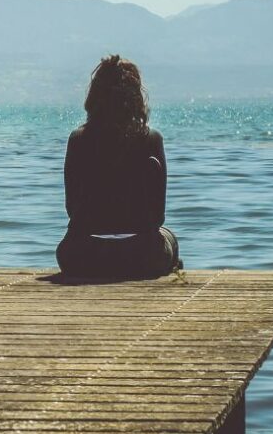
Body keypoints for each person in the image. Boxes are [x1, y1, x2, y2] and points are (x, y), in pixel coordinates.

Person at [56, 55, 181, 278]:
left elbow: (71, 209)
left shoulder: (78, 140)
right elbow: (158, 216)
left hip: (84, 254)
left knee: (66, 247)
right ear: (136, 98)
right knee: (169, 237)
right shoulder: (151, 139)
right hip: (142, 255)